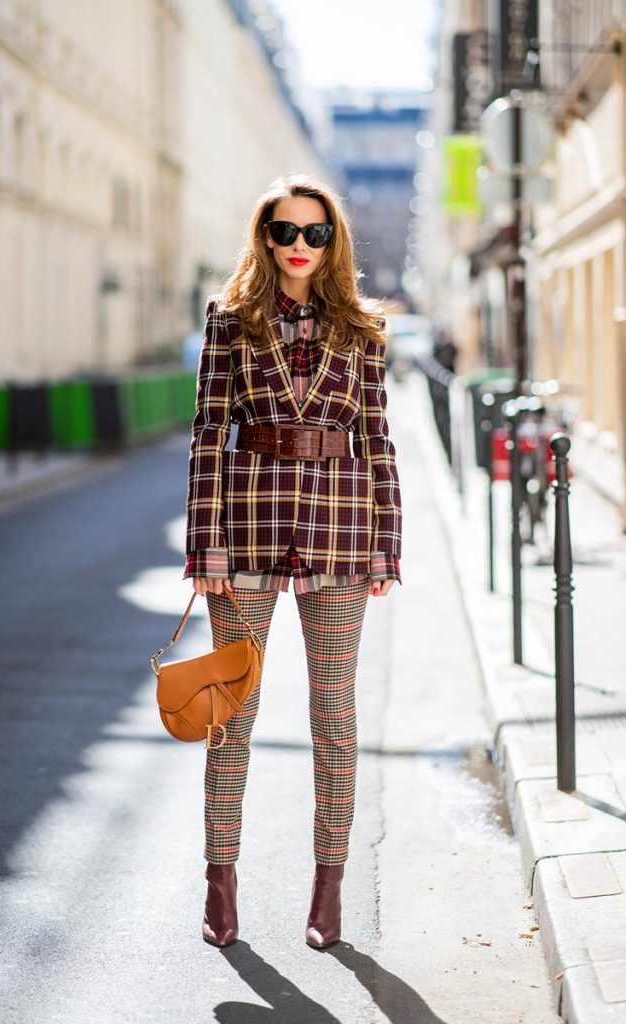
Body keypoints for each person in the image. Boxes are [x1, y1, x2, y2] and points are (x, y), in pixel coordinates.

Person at [183, 174, 402, 950]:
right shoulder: (230, 323)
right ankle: (220, 878)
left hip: (342, 538)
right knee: (230, 720)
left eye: (315, 233)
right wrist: (203, 548)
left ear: (333, 241)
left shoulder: (363, 327)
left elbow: (377, 440)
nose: (300, 247)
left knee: (334, 721)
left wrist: (388, 545)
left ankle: (328, 888)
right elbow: (210, 436)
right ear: (264, 237)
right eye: (286, 232)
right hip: (243, 538)